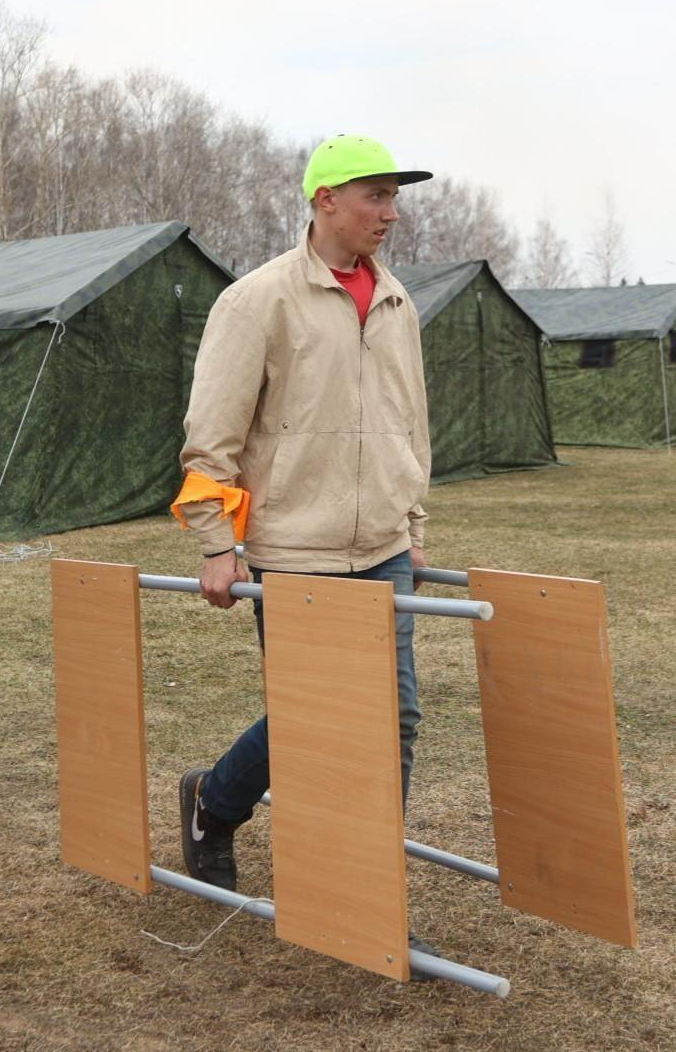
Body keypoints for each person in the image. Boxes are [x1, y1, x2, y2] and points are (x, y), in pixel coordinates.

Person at [172, 133, 437, 901]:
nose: (390, 213)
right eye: (376, 196)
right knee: (310, 718)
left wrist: (411, 528)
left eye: (394, 198)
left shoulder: (397, 302)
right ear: (326, 200)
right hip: (295, 549)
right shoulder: (257, 300)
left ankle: (367, 890)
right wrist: (219, 545)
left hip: (382, 547)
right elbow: (209, 440)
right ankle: (215, 803)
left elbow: (409, 425)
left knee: (395, 719)